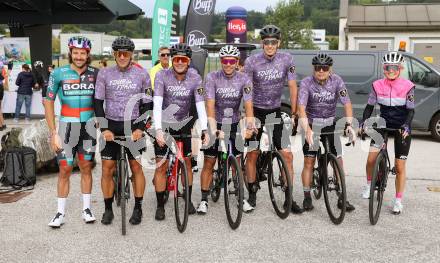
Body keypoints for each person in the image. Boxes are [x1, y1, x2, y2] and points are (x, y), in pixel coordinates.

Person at [243, 25, 302, 213]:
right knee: (252, 154)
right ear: (262, 43)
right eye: (266, 42)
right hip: (256, 111)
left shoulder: (287, 59)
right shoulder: (252, 61)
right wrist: (249, 117)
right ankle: (251, 195)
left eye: (273, 42)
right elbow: (247, 90)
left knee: (287, 155)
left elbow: (293, 86)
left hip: (274, 112)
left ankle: (289, 197)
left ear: (279, 43)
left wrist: (294, 113)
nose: (270, 45)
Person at [95, 36, 153, 226]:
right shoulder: (104, 73)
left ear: (131, 54)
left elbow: (147, 104)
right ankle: (108, 209)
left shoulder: (142, 74)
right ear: (114, 54)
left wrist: (140, 128)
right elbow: (97, 102)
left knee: (136, 167)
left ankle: (138, 207)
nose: (122, 56)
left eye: (125, 53)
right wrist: (104, 128)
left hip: (133, 124)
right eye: (118, 53)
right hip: (111, 125)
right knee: (106, 169)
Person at [45, 36, 98, 228]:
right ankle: (60, 213)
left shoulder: (96, 73)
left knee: (86, 166)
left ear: (88, 54)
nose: (78, 56)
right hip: (67, 127)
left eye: (82, 53)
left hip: (89, 127)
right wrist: (53, 132)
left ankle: (86, 209)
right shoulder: (58, 73)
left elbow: (103, 100)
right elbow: (48, 102)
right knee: (65, 169)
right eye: (75, 52)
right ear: (70, 53)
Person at [196, 45, 255, 214]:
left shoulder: (244, 79)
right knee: (209, 161)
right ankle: (203, 199)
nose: (228, 64)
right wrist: (213, 130)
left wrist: (250, 126)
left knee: (237, 164)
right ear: (221, 61)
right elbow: (210, 105)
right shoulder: (212, 77)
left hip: (234, 123)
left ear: (237, 62)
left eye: (232, 61)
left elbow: (249, 105)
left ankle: (241, 197)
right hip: (215, 121)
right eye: (225, 61)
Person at [153, 43, 209, 220]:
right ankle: (160, 205)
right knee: (161, 166)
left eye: (183, 60)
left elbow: (200, 105)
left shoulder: (195, 77)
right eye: (175, 59)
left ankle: (188, 199)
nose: (179, 62)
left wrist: (205, 128)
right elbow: (157, 103)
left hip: (184, 123)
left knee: (186, 163)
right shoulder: (162, 75)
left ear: (188, 61)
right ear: (171, 60)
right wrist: (159, 130)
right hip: (165, 122)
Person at [297, 53, 356, 212]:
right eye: (318, 68)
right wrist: (307, 129)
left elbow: (347, 103)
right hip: (311, 124)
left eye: (324, 68)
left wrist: (349, 124)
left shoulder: (337, 81)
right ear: (314, 69)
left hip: (330, 124)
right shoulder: (306, 83)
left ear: (330, 69)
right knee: (309, 161)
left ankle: (342, 196)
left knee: (338, 160)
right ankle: (307, 196)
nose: (321, 70)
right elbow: (301, 108)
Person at [359, 51, 415, 215]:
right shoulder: (377, 85)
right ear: (384, 68)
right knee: (371, 159)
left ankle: (398, 200)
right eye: (387, 67)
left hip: (401, 126)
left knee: (399, 166)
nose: (390, 70)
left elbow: (411, 111)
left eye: (394, 67)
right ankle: (369, 185)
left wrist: (406, 125)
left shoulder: (408, 86)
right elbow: (369, 106)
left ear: (400, 68)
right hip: (382, 124)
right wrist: (363, 122)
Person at [0, 66, 5, 130]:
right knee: (0, 110)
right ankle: (2, 124)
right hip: (1, 95)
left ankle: (0, 126)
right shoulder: (1, 85)